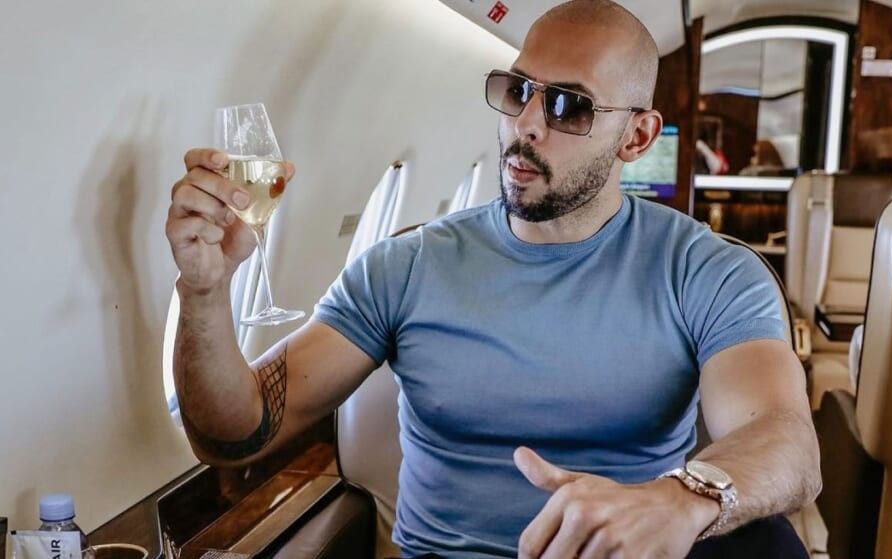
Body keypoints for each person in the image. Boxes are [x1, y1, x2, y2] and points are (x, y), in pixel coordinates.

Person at [164, 1, 821, 557]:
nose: (527, 123)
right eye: (517, 90)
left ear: (637, 136)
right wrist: (204, 292)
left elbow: (788, 442)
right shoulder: (406, 265)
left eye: (567, 105)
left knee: (766, 545)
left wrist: (680, 500)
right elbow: (236, 433)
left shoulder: (705, 270)